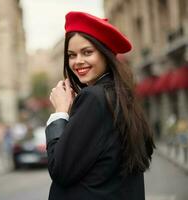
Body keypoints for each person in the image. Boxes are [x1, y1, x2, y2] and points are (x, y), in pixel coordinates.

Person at [46, 11, 155, 200]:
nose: (78, 61)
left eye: (87, 52)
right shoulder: (119, 95)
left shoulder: (94, 98)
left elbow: (60, 169)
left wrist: (60, 113)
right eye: (71, 55)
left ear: (105, 54)